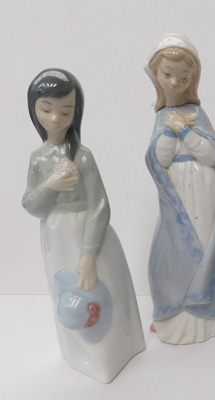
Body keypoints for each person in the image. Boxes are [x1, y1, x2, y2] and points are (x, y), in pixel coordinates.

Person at [23, 68, 145, 383]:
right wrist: (51, 185)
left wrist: (89, 254)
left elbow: (100, 205)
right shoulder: (39, 159)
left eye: (65, 111)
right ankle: (78, 353)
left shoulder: (83, 156)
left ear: (76, 112)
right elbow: (32, 205)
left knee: (98, 290)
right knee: (66, 295)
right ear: (34, 109)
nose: (55, 118)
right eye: (47, 109)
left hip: (89, 232)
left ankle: (109, 356)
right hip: (55, 236)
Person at [144, 34, 215, 344]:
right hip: (174, 194)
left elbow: (211, 156)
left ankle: (202, 319)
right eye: (167, 74)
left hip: (202, 191)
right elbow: (159, 158)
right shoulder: (161, 117)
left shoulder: (198, 114)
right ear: (156, 75)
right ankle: (170, 313)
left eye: (183, 77)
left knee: (202, 244)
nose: (175, 82)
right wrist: (169, 129)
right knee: (167, 251)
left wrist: (184, 130)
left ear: (193, 78)